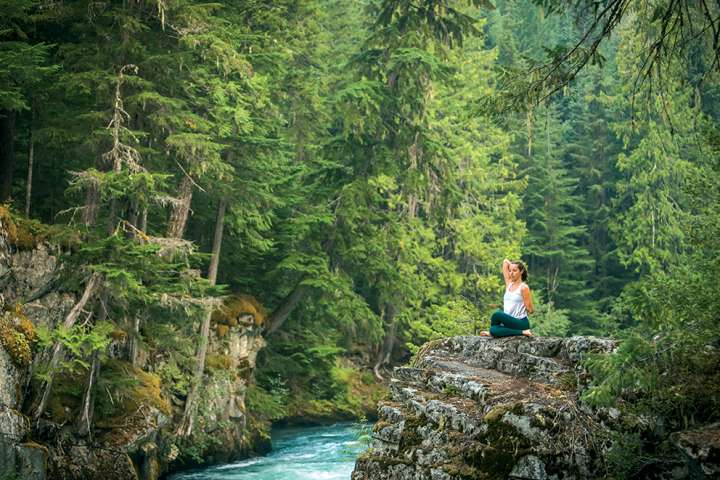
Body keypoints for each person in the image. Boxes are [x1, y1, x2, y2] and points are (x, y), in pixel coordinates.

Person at [480, 258, 534, 337]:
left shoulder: (523, 287)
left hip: (520, 322)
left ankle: (522, 331)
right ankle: (522, 332)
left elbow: (531, 310)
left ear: (521, 271)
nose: (511, 273)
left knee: (496, 315)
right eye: (510, 270)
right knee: (493, 330)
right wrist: (512, 265)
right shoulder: (509, 284)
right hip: (508, 322)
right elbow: (505, 262)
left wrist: (527, 305)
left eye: (515, 271)